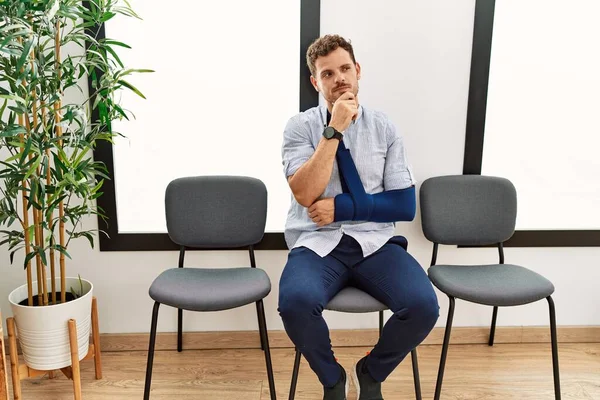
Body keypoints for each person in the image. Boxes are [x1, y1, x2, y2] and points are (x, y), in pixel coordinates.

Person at [278, 34, 440, 400]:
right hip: (317, 243)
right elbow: (304, 193)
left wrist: (344, 208)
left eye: (345, 69)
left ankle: (371, 370)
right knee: (294, 303)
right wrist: (334, 129)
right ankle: (332, 377)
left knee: (423, 306)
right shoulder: (299, 127)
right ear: (315, 82)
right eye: (328, 73)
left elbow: (403, 205)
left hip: (375, 242)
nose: (339, 79)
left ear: (358, 71)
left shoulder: (385, 127)